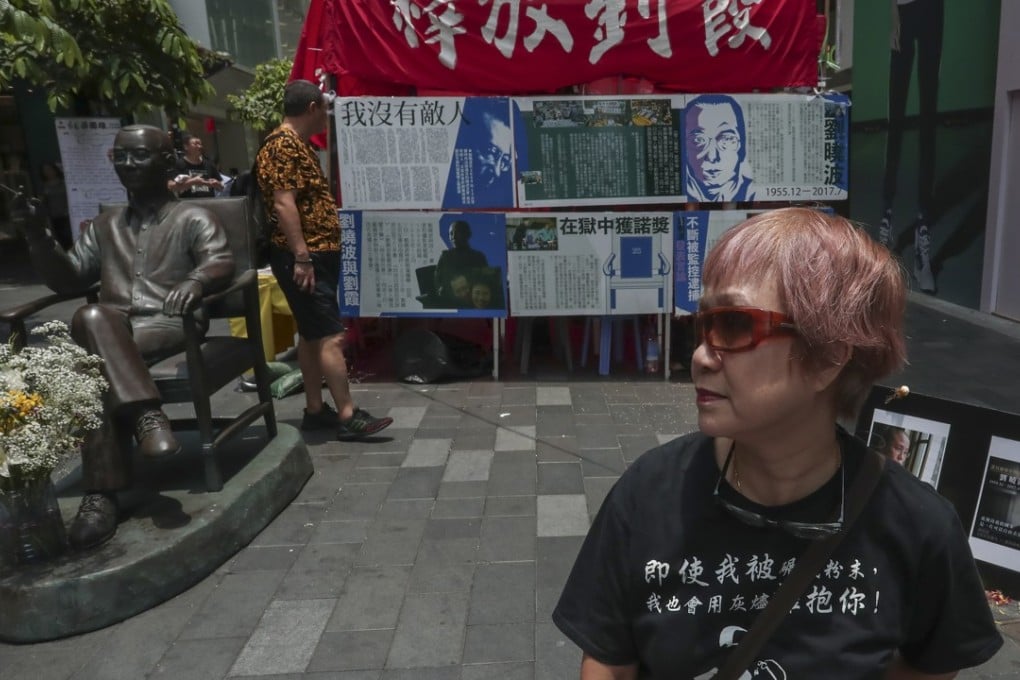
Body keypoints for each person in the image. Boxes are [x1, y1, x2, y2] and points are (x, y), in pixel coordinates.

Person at [553, 208, 1001, 678]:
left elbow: (928, 668)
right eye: (702, 325)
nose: (702, 356)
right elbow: (609, 664)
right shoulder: (650, 493)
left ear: (827, 358)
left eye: (734, 326)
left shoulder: (917, 528)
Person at [21, 125, 236, 549]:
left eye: (139, 156)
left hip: (169, 322)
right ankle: (145, 416)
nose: (128, 165)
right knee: (95, 328)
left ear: (166, 161)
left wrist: (196, 281)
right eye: (120, 156)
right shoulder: (103, 226)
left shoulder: (194, 217)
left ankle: (101, 496)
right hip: (113, 328)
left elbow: (221, 261)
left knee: (91, 339)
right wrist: (35, 233)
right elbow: (68, 279)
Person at [255, 79, 392, 441]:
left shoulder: (295, 145)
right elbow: (284, 203)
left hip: (314, 255)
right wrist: (302, 257)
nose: (326, 118)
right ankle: (348, 415)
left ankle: (316, 410)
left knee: (313, 336)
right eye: (325, 110)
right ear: (313, 108)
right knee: (332, 335)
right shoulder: (282, 145)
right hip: (304, 257)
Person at [878, 0, 943, 294]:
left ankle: (922, 236)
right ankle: (887, 220)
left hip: (933, 8)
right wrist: (894, 12)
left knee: (928, 118)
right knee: (896, 119)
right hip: (903, 8)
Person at [684, 94, 757, 203]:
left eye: (726, 139)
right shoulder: (670, 195)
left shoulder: (755, 193)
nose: (712, 156)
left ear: (742, 146)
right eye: (698, 140)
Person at [433, 220, 488, 302]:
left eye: (457, 232)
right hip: (449, 300)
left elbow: (485, 280)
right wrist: (441, 288)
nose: (453, 237)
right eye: (451, 234)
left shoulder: (478, 256)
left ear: (467, 234)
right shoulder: (445, 256)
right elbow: (437, 279)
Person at [169, 133, 223, 199]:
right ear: (186, 146)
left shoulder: (209, 164)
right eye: (196, 144)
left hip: (208, 204)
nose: (199, 146)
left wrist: (217, 184)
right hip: (189, 206)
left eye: (200, 144)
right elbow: (171, 187)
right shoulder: (179, 164)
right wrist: (192, 182)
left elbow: (221, 188)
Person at [39, 161, 72, 249]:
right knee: (58, 239)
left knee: (68, 237)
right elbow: (42, 202)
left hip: (66, 215)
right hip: (53, 217)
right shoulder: (45, 186)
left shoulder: (64, 183)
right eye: (44, 170)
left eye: (49, 169)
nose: (47, 172)